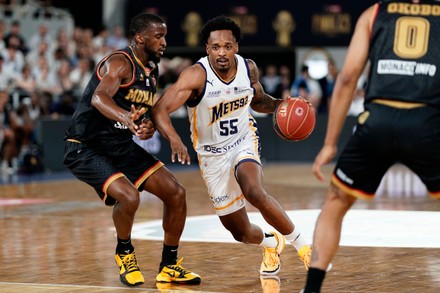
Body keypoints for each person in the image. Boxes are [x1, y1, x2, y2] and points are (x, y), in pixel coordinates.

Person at [152, 15, 315, 277]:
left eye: (227, 46)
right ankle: (271, 243)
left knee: (254, 191)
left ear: (236, 47)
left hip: (242, 141)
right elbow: (160, 109)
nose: (222, 52)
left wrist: (279, 106)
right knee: (239, 231)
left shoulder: (248, 68)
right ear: (207, 49)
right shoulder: (196, 76)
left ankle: (305, 247)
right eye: (215, 47)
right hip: (211, 156)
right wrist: (174, 138)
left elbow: (258, 101)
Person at [302, 0, 440, 292]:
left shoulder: (374, 12)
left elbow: (349, 77)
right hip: (427, 121)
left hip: (378, 119)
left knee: (335, 203)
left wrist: (329, 144)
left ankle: (312, 288)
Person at [63, 13, 201, 287]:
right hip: (85, 147)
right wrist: (125, 118)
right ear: (140, 38)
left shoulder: (151, 70)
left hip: (120, 145)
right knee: (129, 197)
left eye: (165, 36)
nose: (164, 42)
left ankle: (169, 266)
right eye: (158, 36)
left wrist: (145, 125)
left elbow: (141, 114)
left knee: (176, 193)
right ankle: (124, 253)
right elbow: (99, 97)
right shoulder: (120, 63)